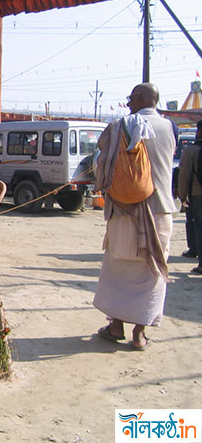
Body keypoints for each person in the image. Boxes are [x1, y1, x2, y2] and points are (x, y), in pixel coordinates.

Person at [92, 83, 177, 351]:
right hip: (160, 210)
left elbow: (101, 166)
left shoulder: (120, 126)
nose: (128, 103)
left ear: (140, 98)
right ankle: (139, 333)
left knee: (117, 269)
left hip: (124, 211)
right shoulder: (170, 127)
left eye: (131, 98)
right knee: (151, 272)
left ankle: (116, 325)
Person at [177, 120, 202, 274]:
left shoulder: (192, 150)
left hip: (198, 194)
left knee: (199, 227)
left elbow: (184, 175)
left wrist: (182, 195)